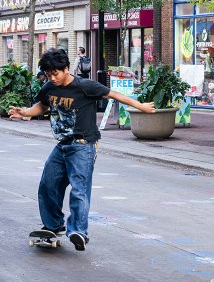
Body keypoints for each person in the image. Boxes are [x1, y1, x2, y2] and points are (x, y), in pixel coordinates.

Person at [8, 48, 155, 251]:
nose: (52, 77)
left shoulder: (84, 86)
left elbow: (114, 94)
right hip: (62, 145)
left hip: (84, 145)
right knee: (48, 184)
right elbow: (42, 106)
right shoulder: (49, 87)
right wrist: (24, 112)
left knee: (79, 189)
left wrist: (141, 107)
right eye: (49, 74)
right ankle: (53, 225)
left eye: (56, 73)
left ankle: (78, 231)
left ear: (66, 68)